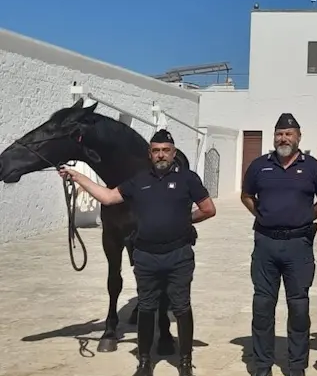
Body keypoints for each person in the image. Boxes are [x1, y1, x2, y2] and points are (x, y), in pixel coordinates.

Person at [58, 129, 216, 376]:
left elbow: (208, 209)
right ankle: (144, 362)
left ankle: (185, 363)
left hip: (178, 255)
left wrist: (184, 221)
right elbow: (108, 197)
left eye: (166, 150)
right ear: (149, 154)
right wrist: (78, 177)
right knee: (146, 307)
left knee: (182, 308)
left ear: (174, 153)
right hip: (146, 257)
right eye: (156, 150)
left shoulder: (188, 179)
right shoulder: (138, 180)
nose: (161, 155)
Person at [240, 113, 317, 376]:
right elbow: (246, 195)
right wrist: (261, 215)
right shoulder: (259, 166)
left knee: (299, 307)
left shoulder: (314, 168)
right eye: (279, 133)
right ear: (274, 136)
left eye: (288, 133)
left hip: (298, 246)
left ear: (299, 137)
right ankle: (261, 366)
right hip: (266, 244)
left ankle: (296, 367)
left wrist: (304, 218)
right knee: (262, 307)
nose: (283, 138)